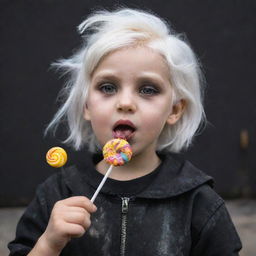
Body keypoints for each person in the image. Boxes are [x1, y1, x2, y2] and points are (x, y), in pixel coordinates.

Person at [9, 8, 242, 256]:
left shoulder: (198, 201)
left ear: (174, 110)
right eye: (108, 87)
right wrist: (48, 244)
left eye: (148, 89)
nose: (125, 102)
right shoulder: (56, 194)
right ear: (86, 104)